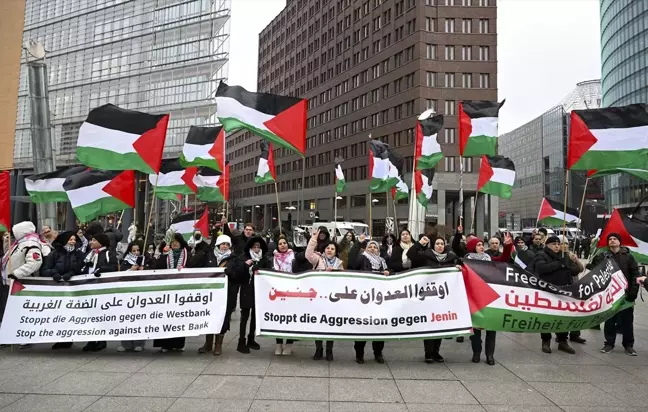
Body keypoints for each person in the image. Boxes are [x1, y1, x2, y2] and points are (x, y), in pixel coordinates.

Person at [462, 233, 513, 365]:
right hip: (474, 298)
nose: (482, 247)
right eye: (478, 245)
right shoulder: (467, 261)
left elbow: (503, 259)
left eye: (482, 245)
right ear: (473, 248)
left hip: (489, 297)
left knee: (491, 327)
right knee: (476, 329)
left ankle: (490, 355)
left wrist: (507, 246)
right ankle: (476, 353)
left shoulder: (489, 259)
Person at [407, 235, 460, 363]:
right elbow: (411, 254)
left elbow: (461, 264)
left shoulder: (451, 258)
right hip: (428, 297)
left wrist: (458, 268)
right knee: (430, 325)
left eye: (442, 243)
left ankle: (436, 352)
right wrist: (420, 243)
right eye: (437, 243)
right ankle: (428, 353)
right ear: (433, 245)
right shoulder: (426, 256)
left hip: (443, 299)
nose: (440, 246)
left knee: (440, 325)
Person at [587, 233, 640, 356]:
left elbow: (635, 274)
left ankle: (628, 345)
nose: (612, 241)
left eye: (614, 239)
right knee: (610, 320)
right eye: (610, 239)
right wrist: (590, 265)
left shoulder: (628, 257)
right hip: (609, 294)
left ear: (619, 242)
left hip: (625, 294)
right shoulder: (603, 256)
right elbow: (596, 271)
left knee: (627, 321)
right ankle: (609, 343)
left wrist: (633, 291)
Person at [192, 234, 245, 355]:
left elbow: (239, 275)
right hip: (209, 294)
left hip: (226, 294)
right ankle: (208, 343)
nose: (225, 246)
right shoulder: (209, 256)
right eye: (223, 244)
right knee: (209, 316)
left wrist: (230, 272)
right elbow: (194, 265)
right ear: (217, 245)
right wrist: (203, 250)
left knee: (222, 318)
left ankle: (218, 345)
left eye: (227, 244)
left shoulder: (234, 258)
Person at [528, 235, 581, 354]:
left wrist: (574, 262)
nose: (557, 246)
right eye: (554, 244)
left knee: (563, 316)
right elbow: (542, 269)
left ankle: (563, 341)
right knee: (547, 316)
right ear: (547, 245)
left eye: (558, 244)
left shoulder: (564, 255)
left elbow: (574, 271)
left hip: (562, 291)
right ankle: (546, 342)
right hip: (547, 291)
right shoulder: (541, 255)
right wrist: (560, 264)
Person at [351, 236, 390, 364]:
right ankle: (359, 353)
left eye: (375, 247)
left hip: (379, 299)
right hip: (364, 298)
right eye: (370, 247)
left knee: (379, 327)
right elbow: (352, 264)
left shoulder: (383, 261)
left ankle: (378, 353)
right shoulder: (362, 258)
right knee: (362, 327)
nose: (373, 249)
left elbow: (393, 270)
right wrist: (358, 244)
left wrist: (388, 272)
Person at [306, 229, 343, 361]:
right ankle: (318, 348)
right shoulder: (318, 259)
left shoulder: (340, 264)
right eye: (327, 248)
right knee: (318, 323)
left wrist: (337, 272)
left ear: (335, 251)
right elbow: (308, 254)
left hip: (332, 299)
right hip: (318, 298)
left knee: (330, 324)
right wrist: (313, 239)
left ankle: (329, 350)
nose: (329, 250)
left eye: (332, 249)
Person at [80, 233, 117, 352]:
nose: (91, 242)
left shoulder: (108, 253)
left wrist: (101, 270)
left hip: (101, 290)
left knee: (100, 316)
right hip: (88, 289)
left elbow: (113, 267)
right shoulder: (89, 254)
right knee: (89, 315)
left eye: (94, 240)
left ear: (100, 243)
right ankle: (91, 340)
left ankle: (101, 341)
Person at [152, 233, 189, 352]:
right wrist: (164, 255)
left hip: (181, 291)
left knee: (179, 317)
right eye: (172, 241)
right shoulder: (166, 254)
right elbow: (157, 267)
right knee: (166, 317)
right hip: (166, 290)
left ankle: (178, 344)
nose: (175, 243)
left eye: (177, 241)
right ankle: (165, 344)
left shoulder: (187, 254)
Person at [237, 236, 269, 354]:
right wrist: (246, 266)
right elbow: (238, 271)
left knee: (255, 315)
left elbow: (268, 270)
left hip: (259, 290)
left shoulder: (264, 258)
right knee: (245, 315)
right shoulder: (244, 257)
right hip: (246, 288)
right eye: (254, 247)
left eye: (258, 247)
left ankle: (251, 338)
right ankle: (241, 341)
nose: (256, 249)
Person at [118, 240, 150, 352]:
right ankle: (125, 343)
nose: (136, 252)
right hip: (127, 293)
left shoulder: (146, 260)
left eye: (138, 250)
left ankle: (139, 343)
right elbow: (119, 275)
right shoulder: (125, 261)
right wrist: (130, 270)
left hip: (141, 293)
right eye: (133, 250)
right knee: (126, 318)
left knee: (140, 318)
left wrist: (144, 269)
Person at [273, 236, 297, 355]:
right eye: (280, 243)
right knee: (279, 318)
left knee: (290, 318)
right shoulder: (273, 257)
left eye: (284, 243)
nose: (282, 245)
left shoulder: (294, 256)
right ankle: (278, 344)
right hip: (278, 292)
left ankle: (289, 344)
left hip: (292, 291)